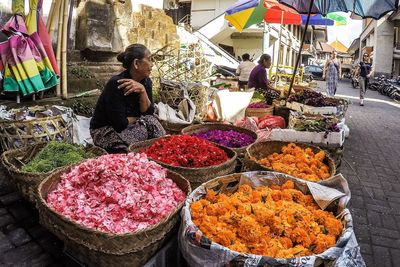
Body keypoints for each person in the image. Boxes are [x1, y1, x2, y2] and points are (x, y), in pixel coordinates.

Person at [90, 44, 166, 153]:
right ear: (136, 64)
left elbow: (149, 112)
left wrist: (143, 91)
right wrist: (139, 117)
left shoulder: (146, 81)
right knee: (131, 150)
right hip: (105, 130)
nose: (152, 64)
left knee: (154, 126)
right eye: (149, 60)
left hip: (132, 124)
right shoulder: (116, 84)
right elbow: (120, 124)